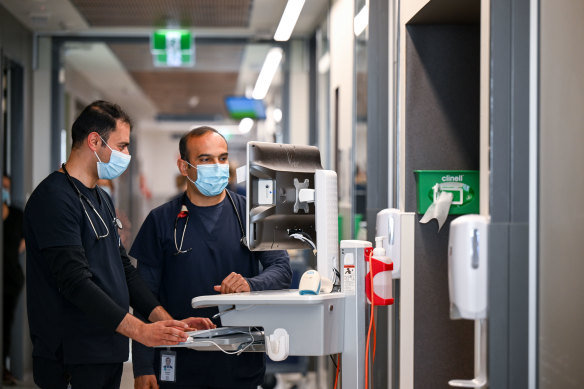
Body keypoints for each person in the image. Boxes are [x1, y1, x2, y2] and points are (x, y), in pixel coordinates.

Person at [23, 101, 214, 389]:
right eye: (122, 145)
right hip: (71, 358)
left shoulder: (101, 198)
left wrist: (169, 323)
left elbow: (123, 269)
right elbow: (75, 282)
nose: (127, 154)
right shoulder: (54, 199)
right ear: (94, 141)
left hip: (106, 351)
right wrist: (140, 331)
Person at [131, 126, 292, 389]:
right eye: (205, 159)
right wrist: (142, 366)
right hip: (179, 356)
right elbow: (144, 297)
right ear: (184, 167)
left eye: (222, 158)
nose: (217, 166)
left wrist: (251, 284)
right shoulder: (161, 220)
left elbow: (282, 269)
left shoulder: (252, 214)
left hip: (241, 356)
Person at [2, 174, 25, 386]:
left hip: (11, 280)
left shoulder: (17, 215)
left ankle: (3, 368)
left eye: (7, 187)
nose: (5, 190)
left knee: (6, 323)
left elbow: (26, 237)